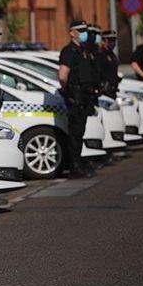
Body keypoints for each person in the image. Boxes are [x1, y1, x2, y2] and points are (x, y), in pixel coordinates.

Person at [57, 20, 98, 179]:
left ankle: (78, 163)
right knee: (75, 134)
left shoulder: (83, 50)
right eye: (80, 30)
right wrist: (70, 92)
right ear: (72, 33)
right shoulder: (69, 51)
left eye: (85, 30)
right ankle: (74, 167)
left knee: (79, 133)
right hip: (76, 96)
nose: (84, 33)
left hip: (84, 97)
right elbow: (62, 75)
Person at [97, 28, 120, 99]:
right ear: (103, 41)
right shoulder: (100, 54)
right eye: (110, 40)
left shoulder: (113, 55)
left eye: (114, 40)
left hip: (112, 90)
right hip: (104, 91)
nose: (112, 42)